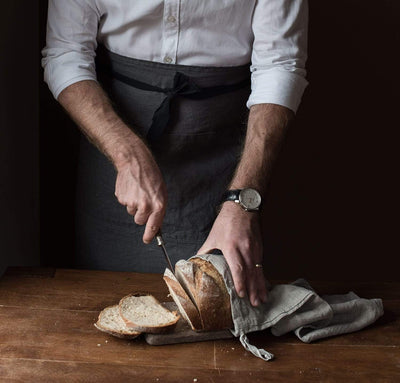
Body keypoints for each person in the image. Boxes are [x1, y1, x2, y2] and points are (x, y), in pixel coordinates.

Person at [42, 0, 308, 307]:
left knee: (223, 308)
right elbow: (65, 53)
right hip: (113, 152)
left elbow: (279, 66)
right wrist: (127, 154)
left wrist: (243, 201)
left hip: (229, 161)